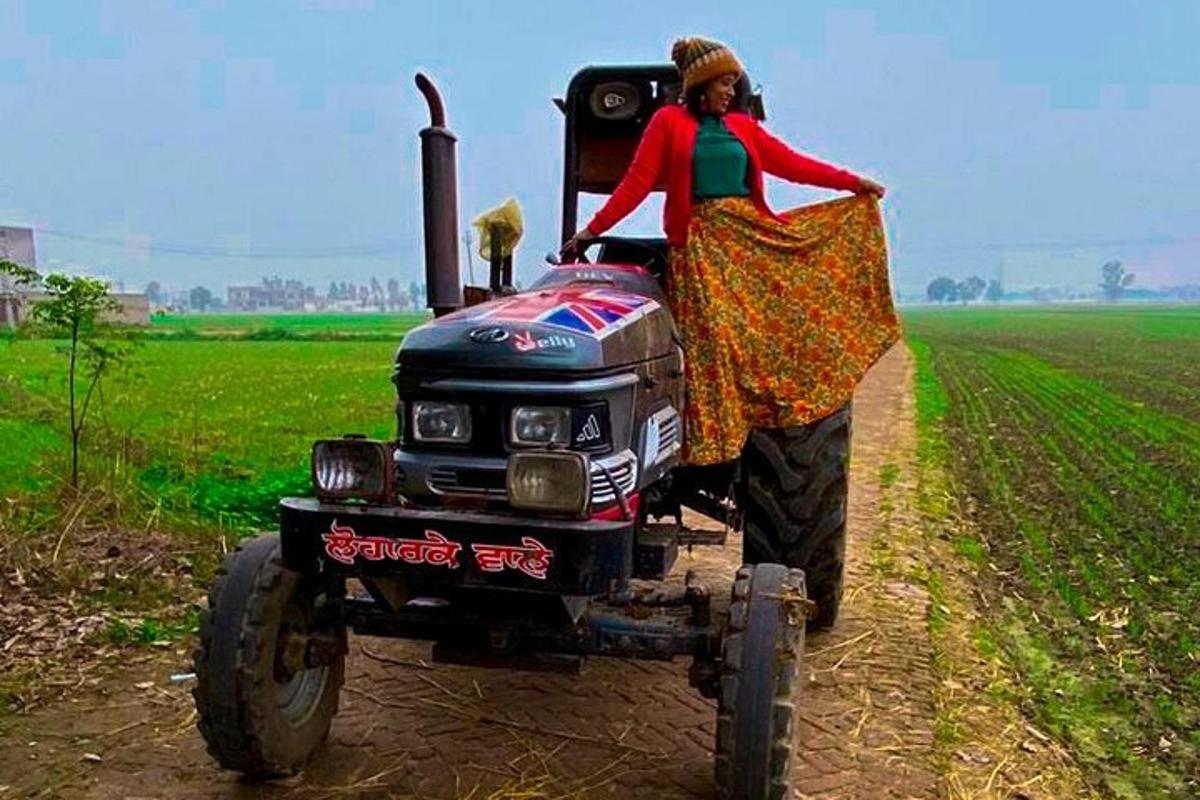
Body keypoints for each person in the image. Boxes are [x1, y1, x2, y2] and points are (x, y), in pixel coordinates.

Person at [565, 36, 901, 466]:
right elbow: (636, 184)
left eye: (732, 83)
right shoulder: (668, 122)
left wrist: (853, 184)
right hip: (703, 248)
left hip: (748, 239)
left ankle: (776, 414)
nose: (730, 91)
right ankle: (708, 442)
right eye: (723, 83)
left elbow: (793, 164)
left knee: (775, 325)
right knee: (714, 344)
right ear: (701, 85)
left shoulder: (742, 126)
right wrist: (591, 230)